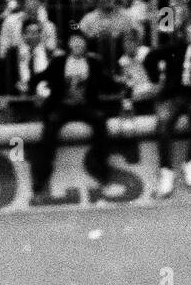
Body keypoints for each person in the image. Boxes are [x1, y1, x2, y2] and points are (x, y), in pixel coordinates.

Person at [28, 31, 122, 196]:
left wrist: (121, 84)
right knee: (50, 127)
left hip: (85, 106)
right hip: (63, 106)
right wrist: (29, 86)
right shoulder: (59, 62)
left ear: (85, 44)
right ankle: (41, 175)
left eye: (81, 41)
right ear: (69, 44)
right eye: (74, 41)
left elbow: (106, 81)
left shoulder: (93, 62)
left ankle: (101, 168)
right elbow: (42, 76)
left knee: (100, 121)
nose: (78, 44)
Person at [143, 14, 191, 198]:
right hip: (173, 95)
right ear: (184, 30)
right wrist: (156, 79)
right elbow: (150, 58)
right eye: (190, 27)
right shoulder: (173, 48)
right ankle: (166, 170)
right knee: (163, 123)